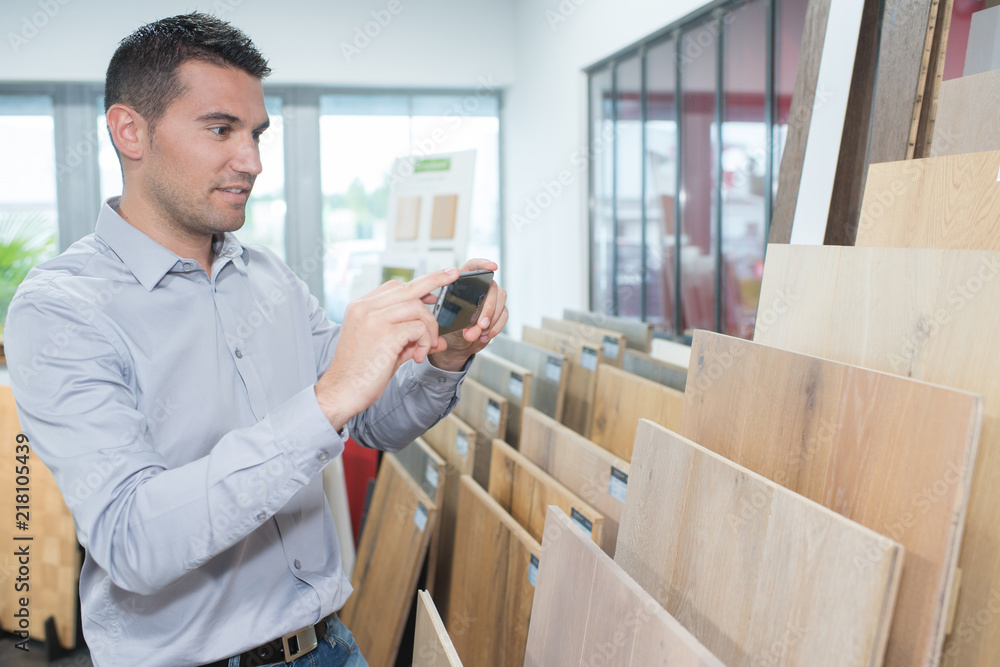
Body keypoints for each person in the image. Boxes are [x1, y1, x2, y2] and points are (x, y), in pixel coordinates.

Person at [3, 12, 507, 667]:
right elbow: (132, 539)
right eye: (221, 129)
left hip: (328, 644)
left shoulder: (269, 277)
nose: (253, 162)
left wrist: (448, 356)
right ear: (131, 131)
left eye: (257, 134)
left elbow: (376, 422)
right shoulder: (61, 309)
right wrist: (326, 400)